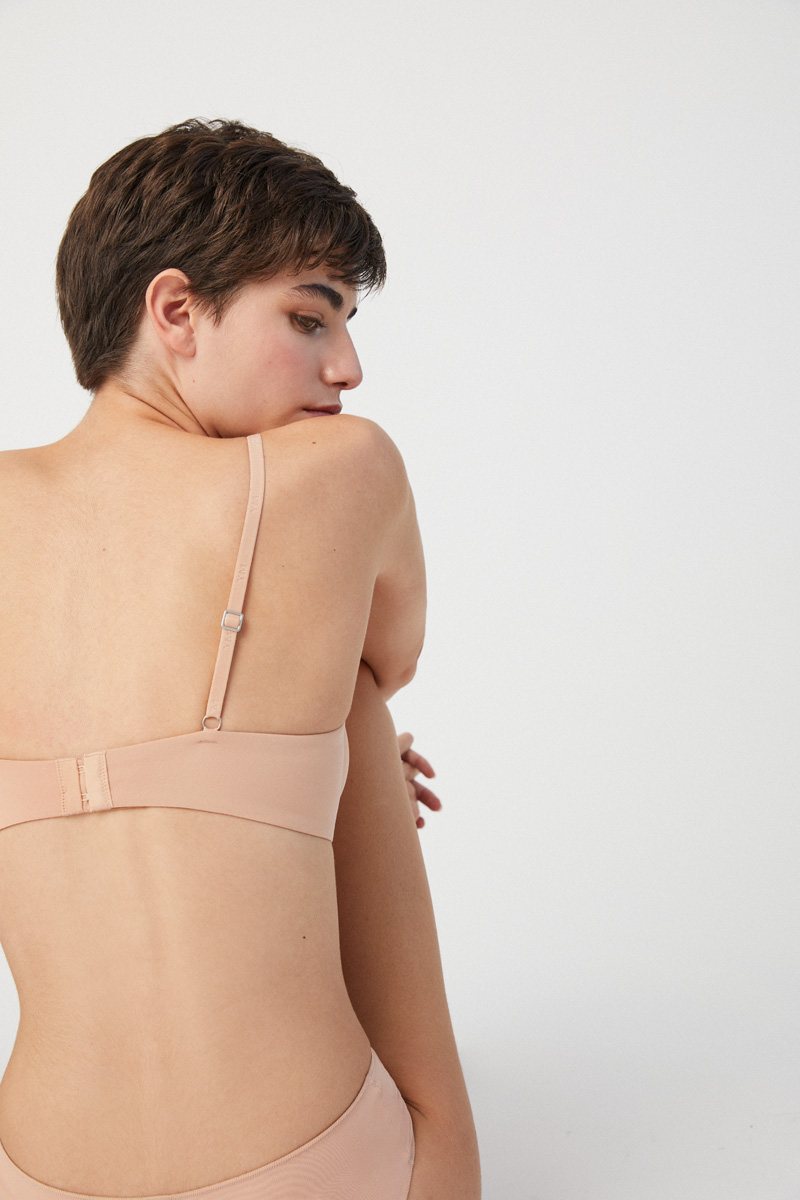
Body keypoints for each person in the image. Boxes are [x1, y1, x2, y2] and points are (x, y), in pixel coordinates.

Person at [0, 118, 480, 1199]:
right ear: (175, 310)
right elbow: (388, 654)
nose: (347, 369)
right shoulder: (340, 468)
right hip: (317, 1167)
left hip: (30, 1170)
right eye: (310, 318)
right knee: (349, 704)